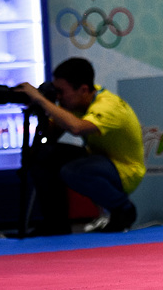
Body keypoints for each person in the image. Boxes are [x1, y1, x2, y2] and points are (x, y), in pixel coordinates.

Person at [15, 58, 145, 235]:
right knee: (43, 154)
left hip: (125, 170)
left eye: (61, 92)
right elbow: (50, 136)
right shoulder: (77, 101)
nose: (58, 97)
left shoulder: (109, 106)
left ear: (83, 89)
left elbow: (77, 128)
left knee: (73, 171)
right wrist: (40, 108)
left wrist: (42, 100)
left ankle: (123, 210)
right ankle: (55, 224)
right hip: (98, 159)